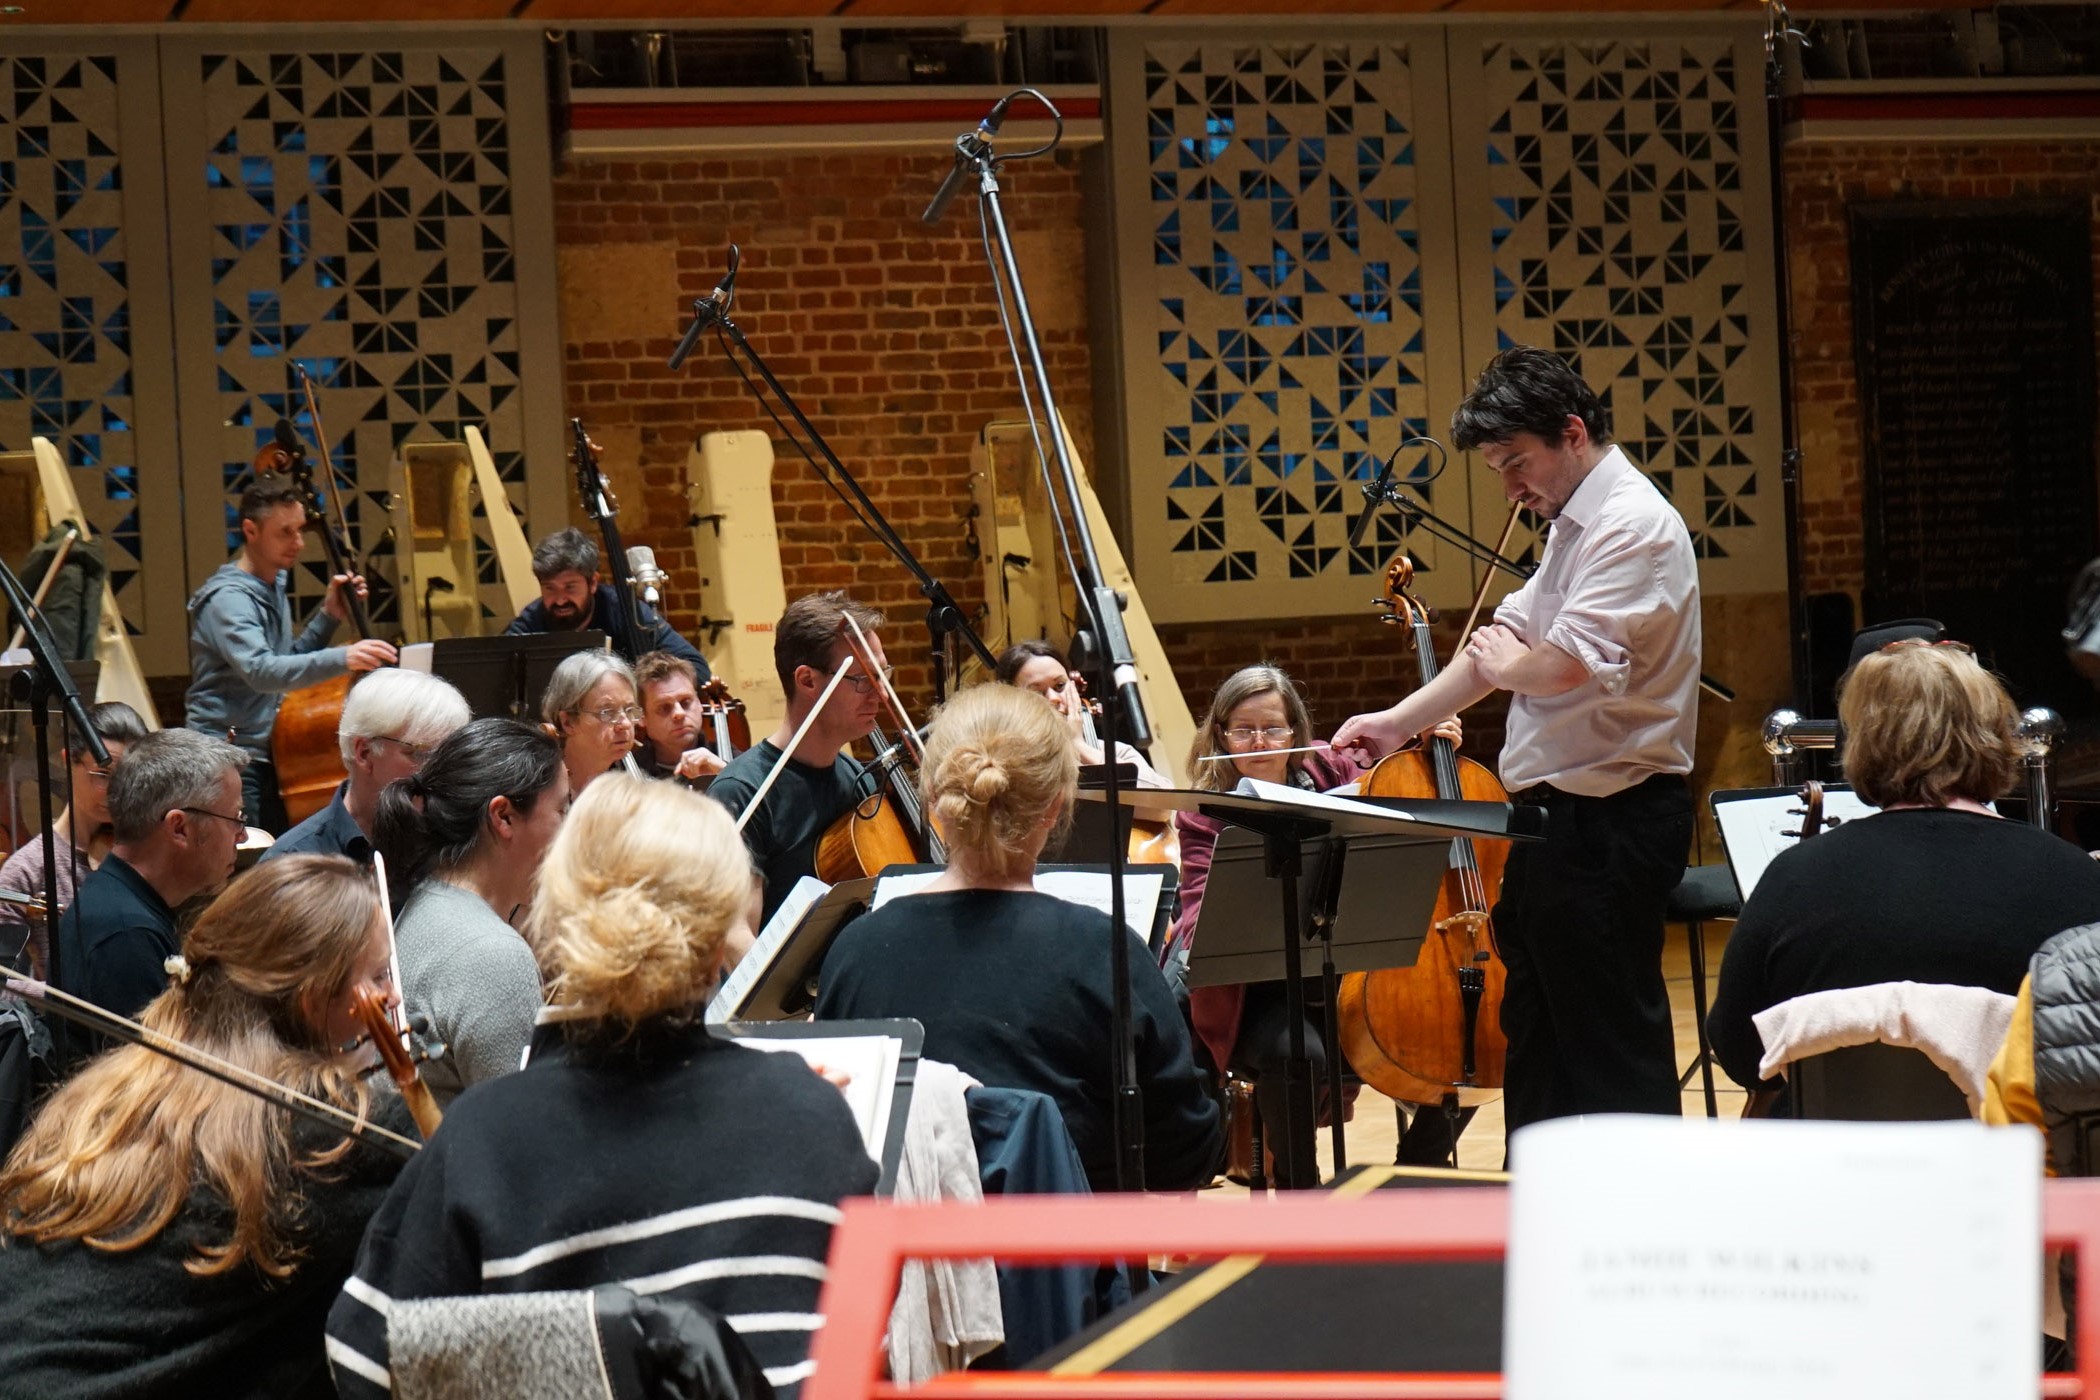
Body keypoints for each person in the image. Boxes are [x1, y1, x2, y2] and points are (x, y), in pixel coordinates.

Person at [327, 775, 875, 1400]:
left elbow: (366, 1359)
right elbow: (864, 1344)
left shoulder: (482, 1136)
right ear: (718, 939)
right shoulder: (813, 1111)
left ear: (559, 920)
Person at [1333, 346, 1701, 1135]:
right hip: (1552, 822)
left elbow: (1558, 666)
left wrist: (1514, 665)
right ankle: (1535, 1198)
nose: (1510, 487)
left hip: (1611, 820)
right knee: (1537, 1039)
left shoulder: (1632, 526)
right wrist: (1396, 722)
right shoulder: (1575, 524)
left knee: (1610, 1049)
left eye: (1515, 463)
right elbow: (1496, 649)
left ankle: (1643, 1207)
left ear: (1573, 432)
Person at [0, 855, 413, 1398]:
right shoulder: (333, 1133)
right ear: (313, 1003)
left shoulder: (113, 1088)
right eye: (379, 976)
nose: (395, 997)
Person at [816, 682, 1222, 1193]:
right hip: (1065, 1242)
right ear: (1056, 806)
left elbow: (836, 1129)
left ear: (934, 800)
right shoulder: (1105, 950)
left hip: (907, 1241)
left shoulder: (855, 951)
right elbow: (1183, 1155)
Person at [1711, 640, 2100, 1096]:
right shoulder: (2073, 875)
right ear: (1996, 734)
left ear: (1861, 741)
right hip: (2021, 1140)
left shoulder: (1794, 876)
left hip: (1834, 1141)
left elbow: (1740, 1053)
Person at [1170, 664, 1466, 1168]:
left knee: (1462, 1043)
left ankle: (1416, 1168)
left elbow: (1401, 792)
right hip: (1261, 993)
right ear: (1219, 735)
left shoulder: (1332, 771)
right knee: (1296, 1056)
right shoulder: (1203, 815)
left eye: (1273, 728)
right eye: (1243, 730)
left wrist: (1429, 746)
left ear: (1296, 732)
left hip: (1353, 983)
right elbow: (1202, 922)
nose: (1259, 742)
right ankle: (1299, 1188)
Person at [184, 475, 398, 834]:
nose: (298, 542)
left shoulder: (273, 583)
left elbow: (288, 660)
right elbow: (262, 672)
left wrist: (330, 615)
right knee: (246, 860)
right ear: (250, 530)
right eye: (285, 532)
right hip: (227, 755)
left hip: (267, 751)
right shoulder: (228, 599)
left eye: (299, 530)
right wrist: (344, 658)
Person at [376, 718, 568, 1107]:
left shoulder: (429, 896)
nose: (571, 829)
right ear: (504, 817)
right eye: (562, 809)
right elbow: (521, 1127)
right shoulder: (492, 953)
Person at [52, 729, 249, 1048]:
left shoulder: (124, 906)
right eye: (235, 819)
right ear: (180, 828)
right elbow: (156, 1076)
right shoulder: (126, 937)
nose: (242, 835)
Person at [709, 591, 890, 925]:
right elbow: (738, 938)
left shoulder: (857, 780)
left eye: (882, 675)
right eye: (864, 679)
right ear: (808, 680)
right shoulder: (742, 793)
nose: (881, 693)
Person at [0, 702, 148, 977]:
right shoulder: (26, 871)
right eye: (103, 775)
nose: (116, 792)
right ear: (67, 761)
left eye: (128, 777)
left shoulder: (147, 851)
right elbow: (7, 984)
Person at [264, 668, 470, 866]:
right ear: (364, 753)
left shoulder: (455, 844)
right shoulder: (292, 861)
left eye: (446, 756)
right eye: (421, 754)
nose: (439, 771)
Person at [503, 527, 708, 672]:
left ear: (593, 583)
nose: (560, 600)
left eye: (570, 587)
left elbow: (696, 667)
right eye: (549, 588)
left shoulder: (624, 610)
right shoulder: (531, 622)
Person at [997, 639, 1169, 788]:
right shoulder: (1001, 765)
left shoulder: (1114, 753)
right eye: (1036, 692)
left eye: (1060, 686)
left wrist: (1081, 748)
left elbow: (1163, 803)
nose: (1054, 698)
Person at [540, 649, 642, 797]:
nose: (625, 724)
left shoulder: (636, 789)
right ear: (568, 722)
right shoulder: (539, 798)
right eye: (607, 712)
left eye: (629, 710)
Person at [634, 649, 729, 783]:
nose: (679, 713)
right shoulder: (626, 773)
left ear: (699, 703)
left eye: (685, 702)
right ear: (641, 717)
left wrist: (726, 771)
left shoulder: (738, 761)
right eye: (664, 707)